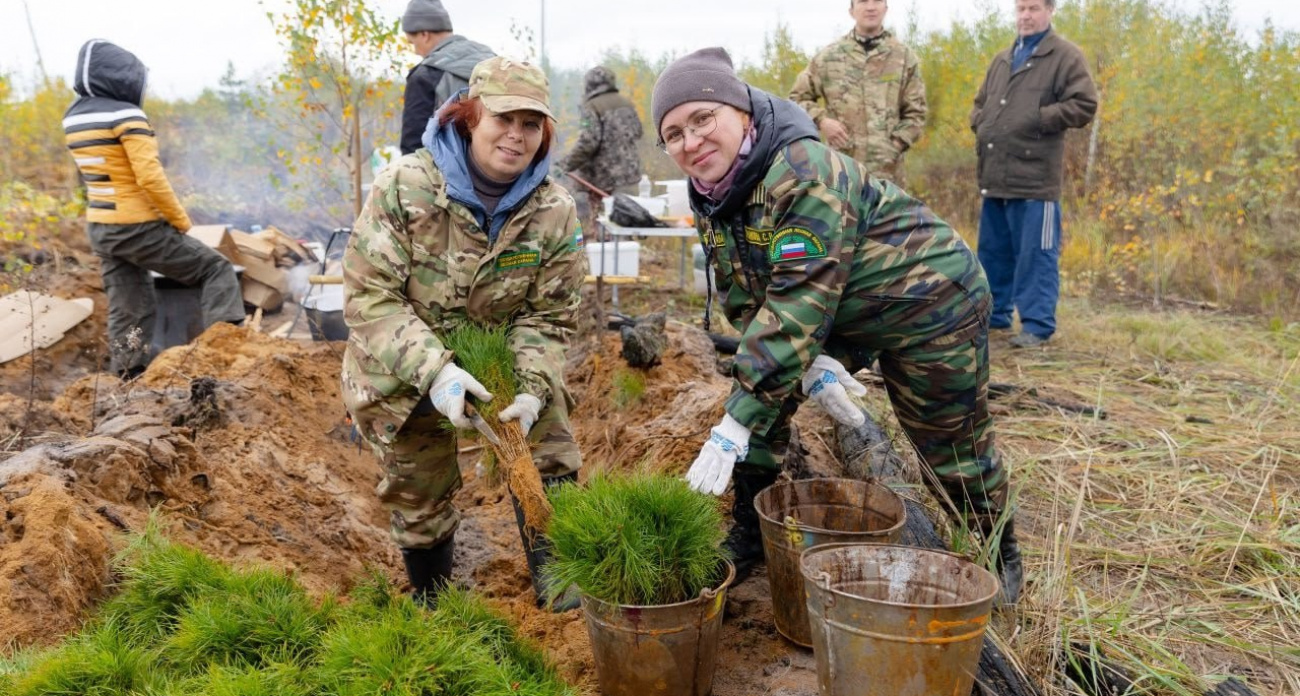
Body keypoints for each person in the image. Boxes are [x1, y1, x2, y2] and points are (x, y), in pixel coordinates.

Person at [651, 47, 1023, 604]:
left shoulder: (802, 171)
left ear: (741, 111)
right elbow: (747, 294)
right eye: (674, 133)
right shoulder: (715, 191)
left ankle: (1001, 558)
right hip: (842, 304)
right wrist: (794, 371)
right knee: (763, 394)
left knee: (947, 444)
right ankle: (750, 533)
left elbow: (798, 306)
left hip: (928, 302)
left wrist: (735, 421)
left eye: (703, 119)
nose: (692, 141)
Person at [342, 56, 586, 611]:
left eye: (531, 124)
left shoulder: (554, 211)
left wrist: (530, 388)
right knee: (418, 489)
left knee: (549, 450)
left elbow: (549, 316)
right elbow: (368, 299)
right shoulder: (404, 188)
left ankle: (559, 590)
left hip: (502, 361)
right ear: (472, 115)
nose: (516, 136)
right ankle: (435, 602)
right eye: (505, 119)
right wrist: (438, 371)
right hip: (404, 366)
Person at [62, 39, 245, 380]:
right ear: (123, 78)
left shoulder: (75, 117)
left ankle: (129, 377)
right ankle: (227, 357)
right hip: (137, 225)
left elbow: (90, 177)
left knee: (131, 304)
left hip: (101, 226)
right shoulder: (126, 114)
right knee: (216, 270)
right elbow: (150, 177)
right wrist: (179, 220)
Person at [971, 0, 1097, 348]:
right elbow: (979, 103)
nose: (1025, 15)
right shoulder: (1002, 58)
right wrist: (980, 123)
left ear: (1050, 11)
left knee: (1036, 256)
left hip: (1035, 180)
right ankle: (994, 319)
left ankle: (1037, 327)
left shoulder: (1065, 56)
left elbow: (1085, 104)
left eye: (1033, 8)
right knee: (992, 254)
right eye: (1021, 8)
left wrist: (1039, 119)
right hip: (994, 177)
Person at [789, 0, 927, 186]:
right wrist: (822, 121)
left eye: (877, 1)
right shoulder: (829, 58)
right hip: (842, 173)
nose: (870, 7)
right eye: (863, 1)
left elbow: (916, 113)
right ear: (851, 11)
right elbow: (796, 99)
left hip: (888, 178)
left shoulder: (903, 58)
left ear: (886, 8)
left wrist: (894, 146)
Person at [399, 0, 495, 155]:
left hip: (446, 177)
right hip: (503, 174)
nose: (415, 51)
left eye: (413, 43)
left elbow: (413, 149)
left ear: (424, 34)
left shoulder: (425, 76)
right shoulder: (493, 61)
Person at [556, 66, 644, 233]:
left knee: (604, 225)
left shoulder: (591, 106)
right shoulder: (626, 103)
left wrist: (565, 164)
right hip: (629, 176)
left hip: (602, 179)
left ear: (589, 84)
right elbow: (638, 132)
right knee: (626, 222)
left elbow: (589, 141)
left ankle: (603, 255)